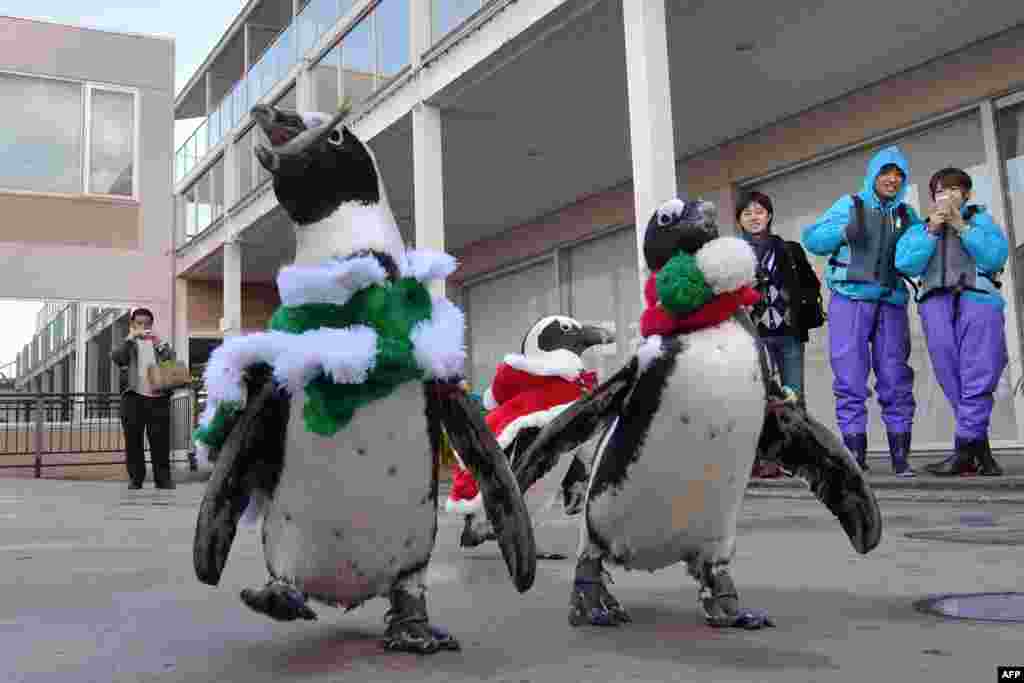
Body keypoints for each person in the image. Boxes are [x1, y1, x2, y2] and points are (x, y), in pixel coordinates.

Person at [802, 146, 921, 476]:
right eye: (886, 172)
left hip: (891, 302)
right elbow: (812, 238)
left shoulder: (908, 216)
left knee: (896, 379)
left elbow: (915, 257)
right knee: (850, 379)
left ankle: (901, 458)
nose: (892, 179)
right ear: (873, 175)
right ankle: (855, 457)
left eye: (898, 174)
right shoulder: (850, 205)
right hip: (850, 299)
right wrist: (842, 232)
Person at [895, 167, 1008, 476]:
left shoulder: (981, 221)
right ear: (933, 198)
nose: (949, 196)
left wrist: (962, 226)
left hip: (978, 301)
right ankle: (979, 453)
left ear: (967, 194)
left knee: (979, 375)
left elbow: (995, 257)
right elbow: (905, 262)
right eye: (942, 191)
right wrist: (931, 230)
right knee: (951, 377)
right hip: (935, 305)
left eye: (956, 190)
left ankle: (963, 451)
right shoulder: (921, 228)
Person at [737, 191, 823, 478]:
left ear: (769, 215)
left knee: (793, 398)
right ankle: (764, 460)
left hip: (788, 334)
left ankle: (797, 459)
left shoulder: (789, 249)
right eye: (747, 213)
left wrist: (799, 307)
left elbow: (811, 284)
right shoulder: (733, 255)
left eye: (759, 211)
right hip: (753, 339)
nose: (754, 217)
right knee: (757, 400)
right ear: (739, 219)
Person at [110, 308, 177, 489]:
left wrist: (159, 343)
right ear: (132, 324)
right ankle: (136, 479)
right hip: (133, 399)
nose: (143, 326)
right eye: (139, 323)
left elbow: (172, 361)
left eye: (146, 323)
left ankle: (163, 480)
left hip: (158, 398)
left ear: (151, 325)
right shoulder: (128, 344)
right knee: (133, 441)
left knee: (160, 442)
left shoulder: (158, 344)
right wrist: (129, 339)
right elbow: (117, 358)